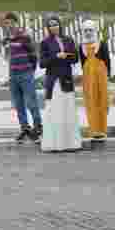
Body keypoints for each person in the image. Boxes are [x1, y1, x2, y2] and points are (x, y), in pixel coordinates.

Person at [39, 17, 82, 153]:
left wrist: (66, 56)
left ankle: (70, 143)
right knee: (55, 110)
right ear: (48, 28)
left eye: (56, 25)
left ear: (60, 25)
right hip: (54, 81)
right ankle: (54, 143)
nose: (54, 27)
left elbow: (75, 58)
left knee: (68, 109)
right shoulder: (45, 43)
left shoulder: (68, 40)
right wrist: (56, 56)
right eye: (50, 26)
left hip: (66, 79)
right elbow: (42, 63)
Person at [0, 12, 42, 143]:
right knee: (18, 104)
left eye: (11, 22)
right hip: (13, 75)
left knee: (31, 102)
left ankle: (38, 127)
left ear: (16, 22)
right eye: (6, 23)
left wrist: (31, 69)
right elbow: (7, 55)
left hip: (26, 73)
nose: (9, 25)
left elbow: (33, 54)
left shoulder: (25, 36)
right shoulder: (7, 38)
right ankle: (25, 128)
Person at [78, 19, 111, 141]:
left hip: (101, 76)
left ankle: (102, 129)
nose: (88, 32)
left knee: (102, 101)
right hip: (88, 78)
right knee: (90, 102)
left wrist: (108, 76)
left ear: (94, 30)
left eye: (90, 30)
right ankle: (93, 129)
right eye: (85, 30)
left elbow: (107, 61)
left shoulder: (102, 44)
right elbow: (83, 63)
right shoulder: (81, 46)